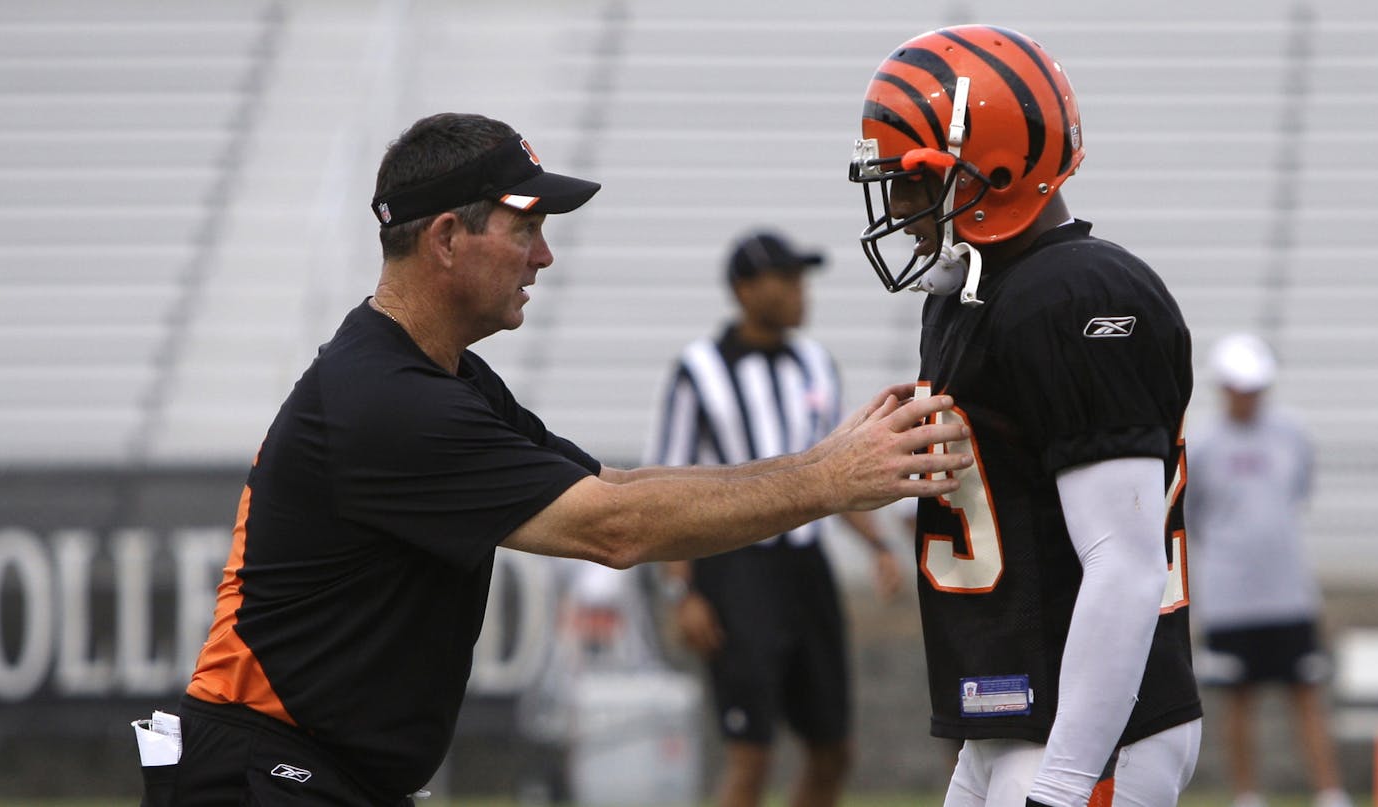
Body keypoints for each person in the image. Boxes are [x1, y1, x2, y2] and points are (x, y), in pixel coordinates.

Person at [158, 112, 970, 807]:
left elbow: (613, 484)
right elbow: (613, 528)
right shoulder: (392, 402)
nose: (543, 256)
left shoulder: (435, 374)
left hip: (304, 770)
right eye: (526, 228)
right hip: (265, 773)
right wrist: (830, 480)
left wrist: (824, 461)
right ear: (446, 238)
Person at [847, 25, 1203, 807]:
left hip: (1092, 731)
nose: (901, 207)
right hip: (1018, 715)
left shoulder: (1079, 294)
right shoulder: (974, 292)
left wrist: (1069, 779)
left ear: (997, 168)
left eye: (914, 181)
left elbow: (1125, 561)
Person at [647, 230, 903, 807]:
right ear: (744, 289)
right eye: (785, 280)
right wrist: (681, 591)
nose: (799, 293)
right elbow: (667, 485)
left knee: (834, 749)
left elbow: (833, 471)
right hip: (735, 569)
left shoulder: (814, 363)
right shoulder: (699, 370)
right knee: (751, 751)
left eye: (801, 280)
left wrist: (879, 545)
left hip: (806, 569)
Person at [1187, 332, 1350, 807]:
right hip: (1229, 596)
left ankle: (1329, 791)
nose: (1248, 396)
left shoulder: (1292, 431)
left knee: (1306, 689)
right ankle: (1246, 794)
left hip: (1287, 591)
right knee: (1237, 696)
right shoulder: (1201, 442)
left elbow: (1299, 491)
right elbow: (1193, 515)